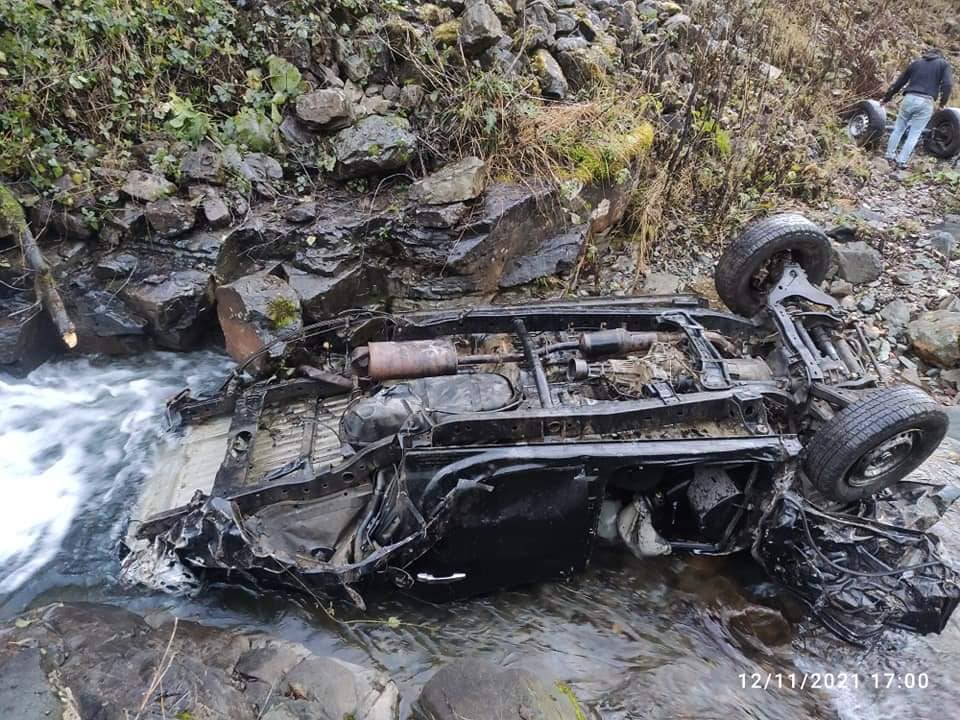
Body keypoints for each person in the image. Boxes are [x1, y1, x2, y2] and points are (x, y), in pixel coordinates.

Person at [881, 48, 954, 169]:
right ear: (940, 56)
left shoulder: (916, 63)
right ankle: (901, 161)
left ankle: (889, 155)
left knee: (899, 128)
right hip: (926, 101)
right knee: (915, 133)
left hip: (909, 98)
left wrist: (886, 99)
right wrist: (942, 103)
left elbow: (899, 82)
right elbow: (948, 84)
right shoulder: (943, 64)